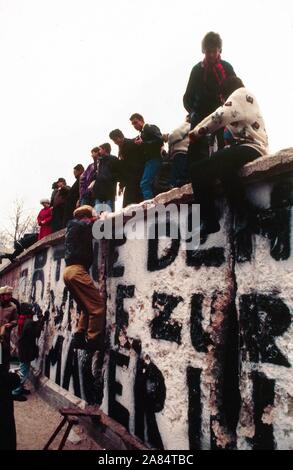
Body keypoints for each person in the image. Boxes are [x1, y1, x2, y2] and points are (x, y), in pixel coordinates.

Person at [189, 76, 269, 239]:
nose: (222, 100)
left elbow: (220, 115)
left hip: (254, 147)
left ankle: (243, 213)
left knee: (222, 159)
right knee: (198, 169)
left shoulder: (242, 94)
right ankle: (209, 219)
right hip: (238, 150)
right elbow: (216, 113)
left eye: (222, 97)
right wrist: (196, 130)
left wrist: (197, 132)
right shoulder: (237, 103)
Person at [183, 32, 236, 163]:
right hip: (201, 115)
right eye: (208, 52)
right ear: (203, 51)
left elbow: (237, 90)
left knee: (226, 145)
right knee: (196, 149)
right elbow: (187, 97)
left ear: (220, 50)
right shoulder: (197, 70)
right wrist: (193, 113)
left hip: (223, 112)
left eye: (214, 51)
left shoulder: (226, 67)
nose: (211, 55)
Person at [63, 206, 105, 352]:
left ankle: (79, 336)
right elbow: (88, 224)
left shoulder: (72, 229)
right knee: (97, 307)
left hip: (69, 271)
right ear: (85, 216)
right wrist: (98, 218)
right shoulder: (77, 224)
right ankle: (93, 340)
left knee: (86, 308)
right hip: (77, 270)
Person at [12, 303, 43, 400]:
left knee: (23, 369)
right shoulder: (28, 322)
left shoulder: (23, 319)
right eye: (31, 309)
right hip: (25, 349)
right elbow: (35, 333)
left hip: (24, 348)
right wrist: (40, 321)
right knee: (23, 371)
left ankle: (20, 388)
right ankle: (15, 392)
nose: (32, 310)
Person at [130, 113, 163, 200]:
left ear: (141, 120)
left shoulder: (150, 127)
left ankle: (150, 206)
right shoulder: (142, 133)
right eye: (133, 124)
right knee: (152, 184)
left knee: (144, 183)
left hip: (154, 159)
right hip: (150, 161)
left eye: (135, 122)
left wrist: (143, 143)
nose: (134, 125)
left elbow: (160, 140)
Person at [109, 129, 144, 207]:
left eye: (115, 139)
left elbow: (140, 159)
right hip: (129, 181)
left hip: (138, 178)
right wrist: (121, 185)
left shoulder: (132, 143)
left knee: (137, 203)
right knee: (128, 206)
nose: (115, 142)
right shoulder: (120, 149)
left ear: (121, 137)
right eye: (113, 140)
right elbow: (123, 168)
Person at [92, 143, 119, 213]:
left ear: (105, 149)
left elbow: (117, 173)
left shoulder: (113, 159)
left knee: (109, 215)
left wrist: (110, 179)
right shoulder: (100, 160)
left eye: (100, 150)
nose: (99, 152)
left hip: (109, 190)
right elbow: (96, 173)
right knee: (97, 215)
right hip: (99, 190)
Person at [168, 115, 191, 187]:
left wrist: (170, 143)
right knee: (182, 176)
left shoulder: (187, 124)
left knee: (179, 177)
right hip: (184, 153)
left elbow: (174, 135)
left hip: (180, 152)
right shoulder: (191, 126)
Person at [0, 285, 17, 371]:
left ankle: (4, 378)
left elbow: (16, 320)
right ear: (2, 295)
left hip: (4, 338)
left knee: (4, 359)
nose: (10, 296)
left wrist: (10, 324)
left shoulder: (12, 308)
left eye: (11, 294)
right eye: (8, 294)